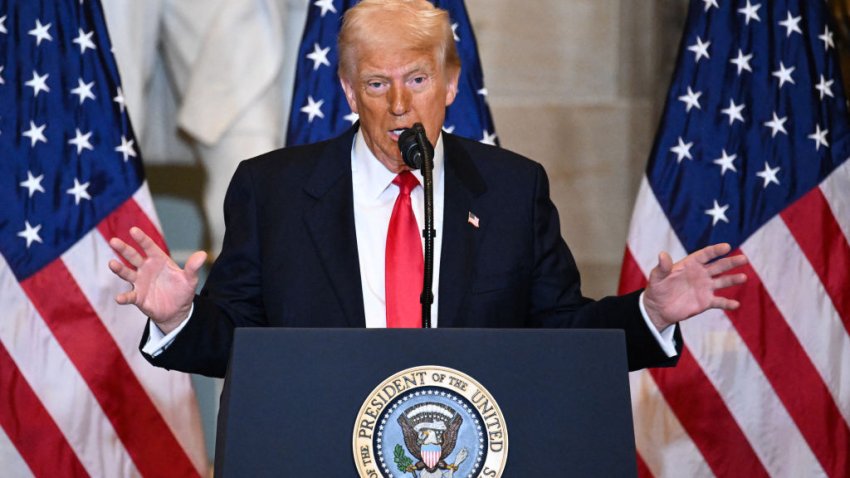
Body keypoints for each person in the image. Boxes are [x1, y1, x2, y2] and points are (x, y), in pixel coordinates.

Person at [108, 0, 747, 378]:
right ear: (349, 92)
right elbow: (239, 344)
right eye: (377, 85)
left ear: (449, 84)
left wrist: (650, 312)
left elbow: (561, 330)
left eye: (417, 80)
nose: (399, 105)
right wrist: (179, 317)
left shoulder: (510, 188)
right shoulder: (271, 188)